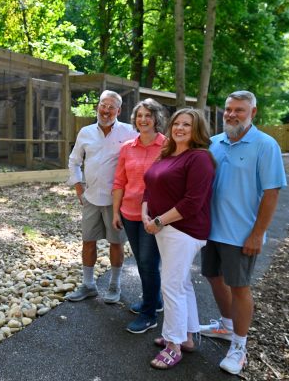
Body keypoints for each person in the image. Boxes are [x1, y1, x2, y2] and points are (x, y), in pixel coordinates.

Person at [199, 91, 287, 375]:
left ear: (253, 112)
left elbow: (271, 193)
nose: (231, 114)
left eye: (239, 110)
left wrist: (256, 234)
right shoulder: (214, 143)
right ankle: (226, 325)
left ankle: (239, 345)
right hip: (211, 230)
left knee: (239, 287)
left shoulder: (265, 145)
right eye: (228, 109)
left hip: (241, 234)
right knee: (213, 277)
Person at [142, 108, 215, 370]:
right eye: (177, 123)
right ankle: (187, 337)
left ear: (197, 130)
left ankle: (173, 345)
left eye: (187, 124)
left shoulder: (200, 158)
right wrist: (145, 214)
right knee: (181, 283)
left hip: (184, 231)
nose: (180, 128)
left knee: (171, 285)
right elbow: (150, 186)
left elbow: (192, 202)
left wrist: (159, 220)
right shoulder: (167, 153)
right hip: (162, 228)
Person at [66, 90, 138, 303]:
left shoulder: (129, 132)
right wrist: (78, 188)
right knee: (88, 241)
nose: (106, 111)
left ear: (119, 110)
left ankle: (115, 285)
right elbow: (74, 161)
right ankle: (88, 285)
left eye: (111, 107)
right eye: (103, 105)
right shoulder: (85, 132)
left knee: (116, 243)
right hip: (90, 198)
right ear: (98, 106)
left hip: (116, 201)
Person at [112, 98, 166, 334]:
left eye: (148, 115)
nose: (143, 120)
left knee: (148, 262)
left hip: (154, 216)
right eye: (139, 115)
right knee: (142, 261)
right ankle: (156, 300)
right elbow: (119, 181)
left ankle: (148, 314)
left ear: (156, 119)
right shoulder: (127, 147)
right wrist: (115, 211)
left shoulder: (167, 147)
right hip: (128, 212)